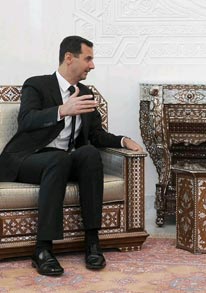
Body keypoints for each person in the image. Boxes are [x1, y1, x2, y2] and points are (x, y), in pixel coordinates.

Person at [0, 35, 143, 276]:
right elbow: (26, 121)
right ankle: (43, 248)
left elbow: (96, 134)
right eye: (88, 59)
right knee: (59, 158)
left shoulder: (85, 92)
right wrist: (62, 110)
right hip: (27, 159)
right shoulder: (37, 84)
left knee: (87, 153)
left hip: (62, 162)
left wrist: (122, 140)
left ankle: (92, 242)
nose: (92, 65)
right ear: (69, 58)